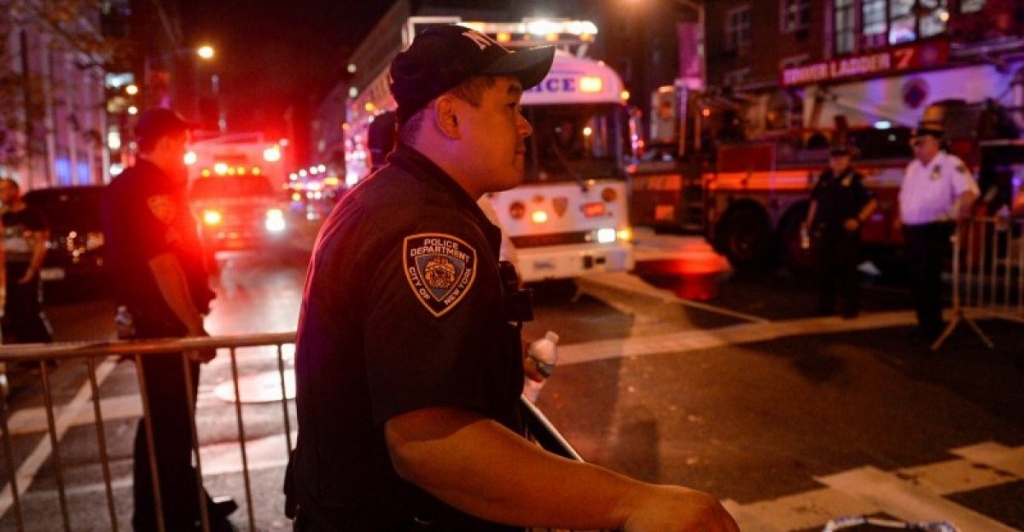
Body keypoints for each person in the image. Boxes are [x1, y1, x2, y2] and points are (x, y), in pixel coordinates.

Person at [285, 25, 739, 532]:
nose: (525, 128)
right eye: (510, 107)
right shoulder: (428, 230)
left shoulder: (390, 199)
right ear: (451, 117)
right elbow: (429, 442)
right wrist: (632, 503)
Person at [100, 107, 236, 532]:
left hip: (155, 322)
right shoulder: (150, 188)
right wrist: (193, 327)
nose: (186, 154)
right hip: (165, 326)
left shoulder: (129, 185)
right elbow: (163, 264)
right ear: (166, 144)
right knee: (169, 426)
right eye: (183, 146)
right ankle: (168, 515)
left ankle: (182, 503)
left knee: (167, 424)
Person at [898, 126, 979, 342]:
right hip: (913, 230)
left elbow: (968, 193)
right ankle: (923, 324)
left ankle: (933, 328)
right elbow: (905, 195)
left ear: (936, 143)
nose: (917, 148)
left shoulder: (951, 163)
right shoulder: (913, 167)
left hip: (934, 230)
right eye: (914, 144)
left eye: (921, 143)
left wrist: (962, 216)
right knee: (916, 281)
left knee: (928, 279)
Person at [802, 146, 877, 318]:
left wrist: (858, 220)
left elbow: (872, 202)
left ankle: (851, 307)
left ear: (848, 160)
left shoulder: (857, 179)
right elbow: (815, 201)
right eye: (834, 158)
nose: (838, 161)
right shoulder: (825, 178)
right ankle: (825, 306)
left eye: (842, 158)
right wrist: (809, 223)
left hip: (845, 232)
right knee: (823, 270)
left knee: (847, 271)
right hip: (825, 231)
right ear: (830, 160)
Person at [0, 177, 54, 345]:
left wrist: (32, 269)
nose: (1, 194)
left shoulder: (32, 214)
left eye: (4, 190)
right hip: (9, 266)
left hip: (26, 264)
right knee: (14, 310)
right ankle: (26, 350)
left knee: (31, 309)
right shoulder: (5, 217)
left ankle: (45, 350)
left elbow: (40, 244)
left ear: (15, 191)